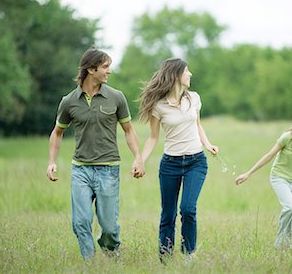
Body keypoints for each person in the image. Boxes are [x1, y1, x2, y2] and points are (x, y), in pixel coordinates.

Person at [46, 48, 145, 260]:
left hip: (108, 170)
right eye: (105, 67)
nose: (109, 71)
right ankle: (90, 264)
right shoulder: (69, 101)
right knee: (80, 222)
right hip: (80, 169)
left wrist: (138, 157)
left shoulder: (116, 97)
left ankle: (111, 253)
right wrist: (52, 162)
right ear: (91, 69)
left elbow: (129, 130)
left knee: (109, 227)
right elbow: (57, 132)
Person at [138, 58, 218, 261]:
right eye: (186, 71)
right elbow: (153, 137)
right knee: (168, 214)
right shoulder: (159, 106)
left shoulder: (194, 98)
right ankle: (165, 258)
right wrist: (141, 160)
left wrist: (207, 144)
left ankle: (188, 254)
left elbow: (198, 125)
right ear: (176, 75)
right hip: (170, 164)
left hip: (196, 162)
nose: (190, 74)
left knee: (188, 209)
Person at [235, 107, 292, 249]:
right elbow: (269, 155)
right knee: (290, 208)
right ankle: (280, 243)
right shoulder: (287, 137)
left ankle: (291, 248)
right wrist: (248, 173)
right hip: (279, 177)